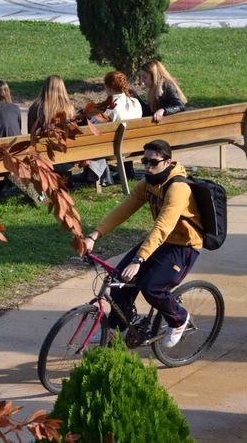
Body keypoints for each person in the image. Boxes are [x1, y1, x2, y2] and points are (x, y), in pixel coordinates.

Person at [82, 139, 202, 348]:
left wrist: (139, 259)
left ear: (168, 162)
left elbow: (163, 226)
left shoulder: (178, 188)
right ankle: (116, 329)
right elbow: (123, 210)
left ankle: (179, 318)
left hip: (184, 245)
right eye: (144, 161)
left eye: (153, 162)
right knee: (119, 281)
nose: (147, 166)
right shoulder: (148, 183)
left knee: (153, 287)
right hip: (161, 242)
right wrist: (94, 235)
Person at [85, 71, 143, 185]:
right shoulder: (135, 102)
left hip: (114, 150)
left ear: (108, 87)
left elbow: (94, 130)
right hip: (133, 146)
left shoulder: (110, 109)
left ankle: (100, 176)